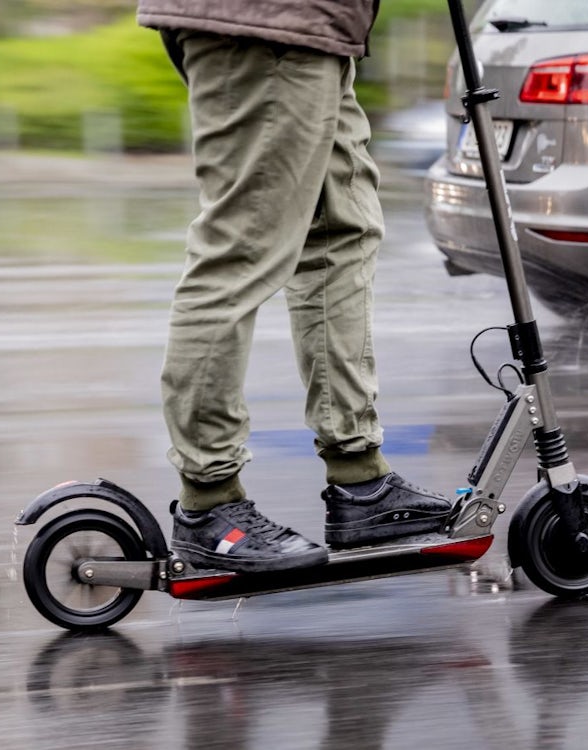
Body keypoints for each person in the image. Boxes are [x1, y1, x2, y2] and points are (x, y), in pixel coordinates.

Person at [135, 1, 452, 574]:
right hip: (267, 21)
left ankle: (360, 480)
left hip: (319, 26)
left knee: (341, 234)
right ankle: (209, 502)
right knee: (241, 250)